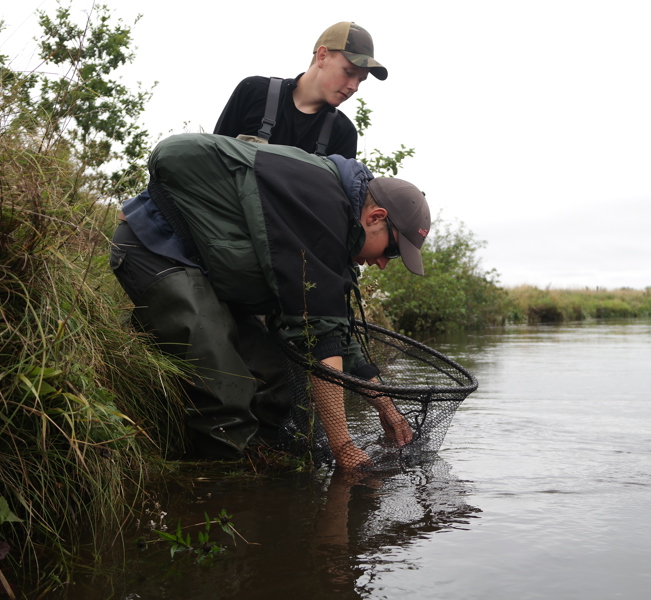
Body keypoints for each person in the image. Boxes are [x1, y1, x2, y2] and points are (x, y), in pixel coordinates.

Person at [110, 133, 430, 471]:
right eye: (392, 251)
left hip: (213, 281)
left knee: (279, 385)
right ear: (376, 217)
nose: (383, 263)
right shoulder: (322, 209)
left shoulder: (339, 233)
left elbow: (334, 333)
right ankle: (222, 492)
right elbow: (320, 343)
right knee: (227, 391)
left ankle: (266, 475)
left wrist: (388, 410)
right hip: (158, 249)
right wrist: (345, 450)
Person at [213, 21, 387, 159]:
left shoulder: (343, 132)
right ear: (322, 56)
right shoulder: (254, 91)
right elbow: (212, 160)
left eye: (361, 80)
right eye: (349, 72)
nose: (354, 87)